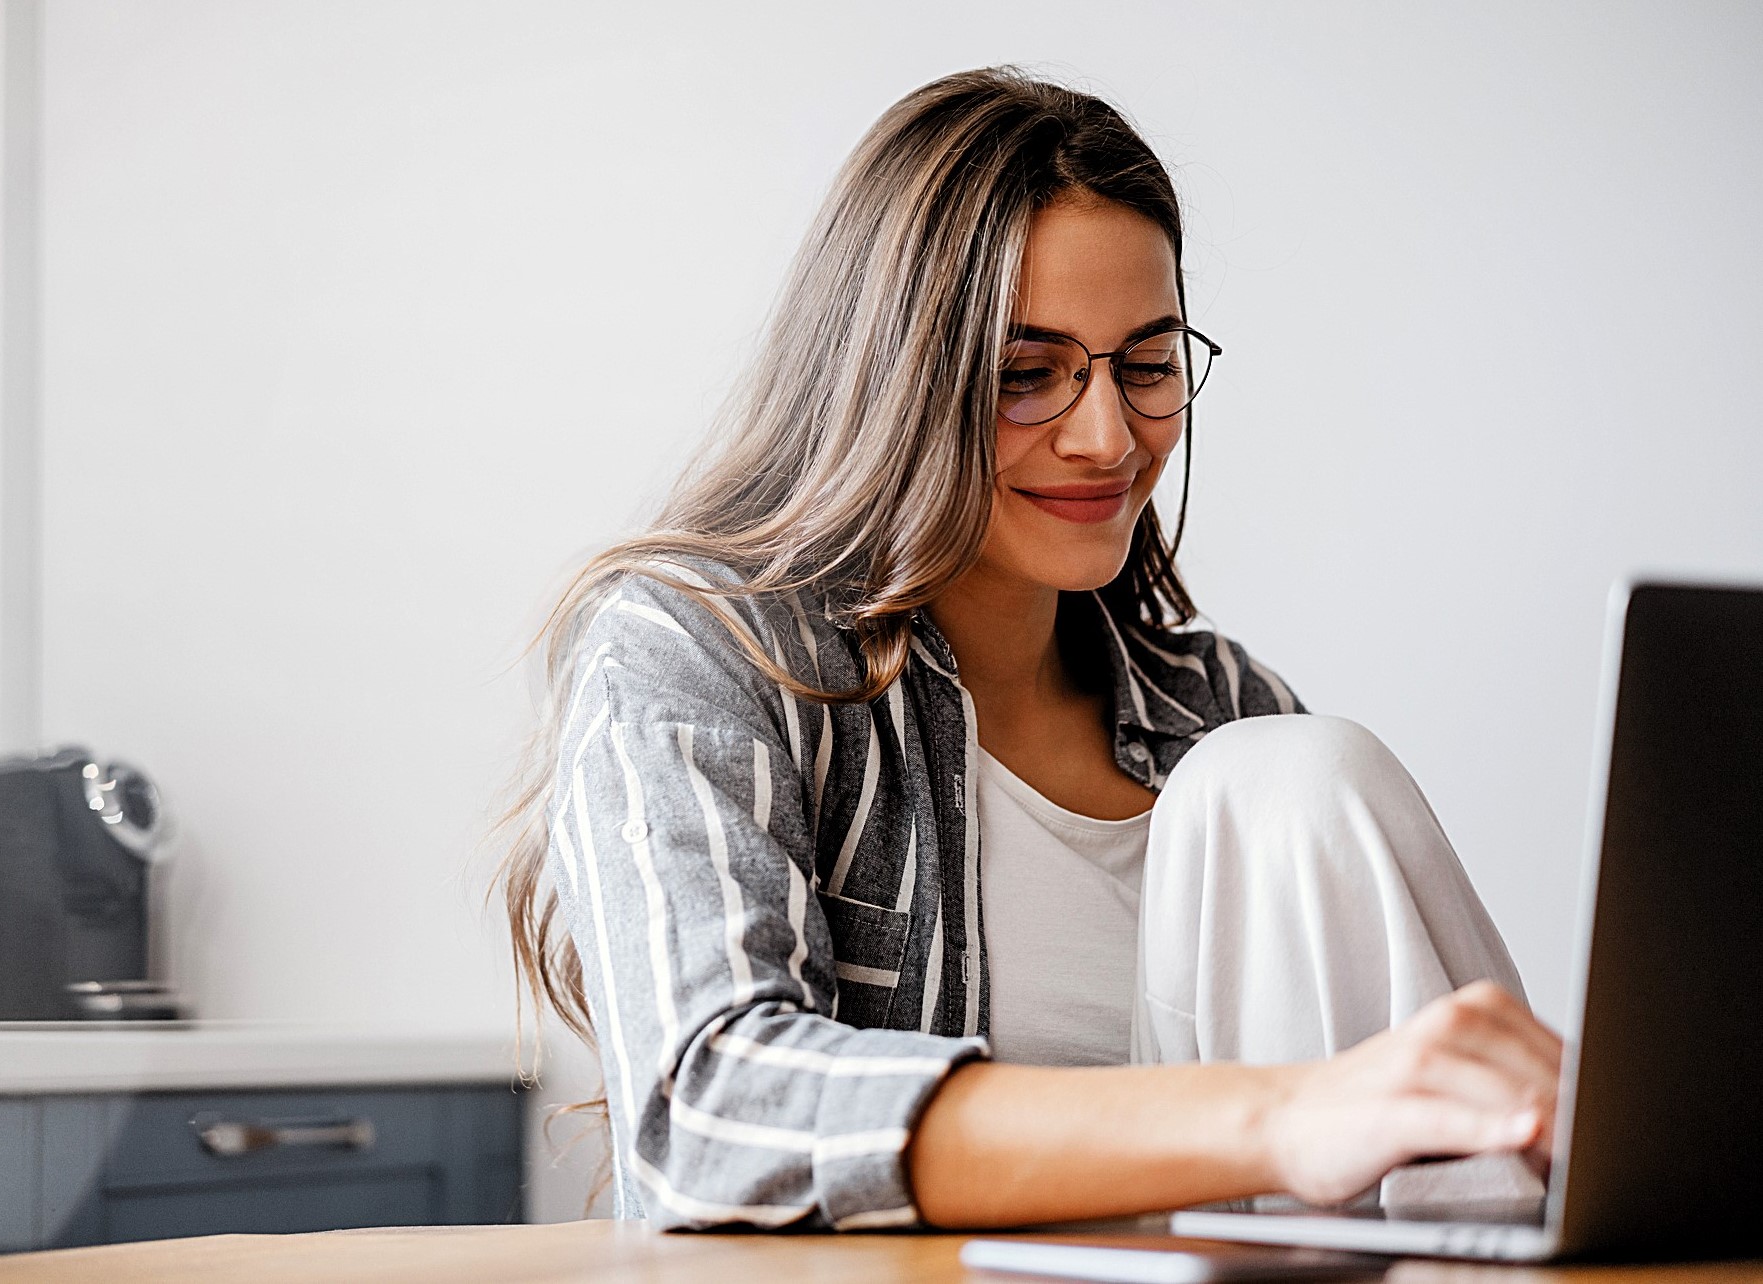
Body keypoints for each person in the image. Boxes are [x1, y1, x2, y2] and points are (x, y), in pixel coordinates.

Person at [499, 65, 1561, 1232]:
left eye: (1147, 365)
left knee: (1296, 770)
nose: (1107, 437)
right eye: (1025, 376)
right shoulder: (696, 647)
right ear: (895, 378)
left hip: (1259, 1259)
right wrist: (1279, 1117)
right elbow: (705, 1113)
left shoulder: (1226, 708)